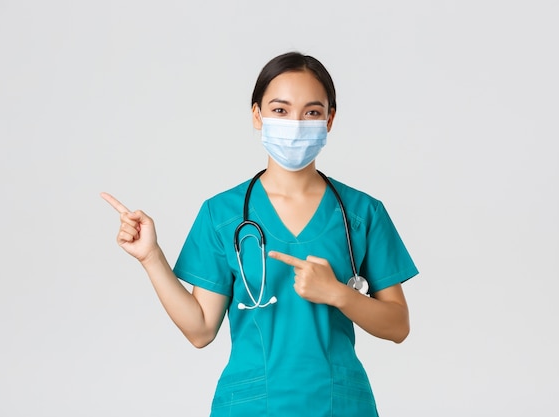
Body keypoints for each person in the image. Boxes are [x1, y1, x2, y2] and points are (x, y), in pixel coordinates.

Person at [102, 51, 419, 417]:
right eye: (280, 110)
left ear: (330, 119)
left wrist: (337, 294)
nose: (296, 123)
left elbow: (398, 326)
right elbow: (201, 330)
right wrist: (151, 257)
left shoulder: (362, 213)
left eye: (312, 112)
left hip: (338, 404)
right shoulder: (222, 214)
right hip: (252, 405)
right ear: (257, 115)